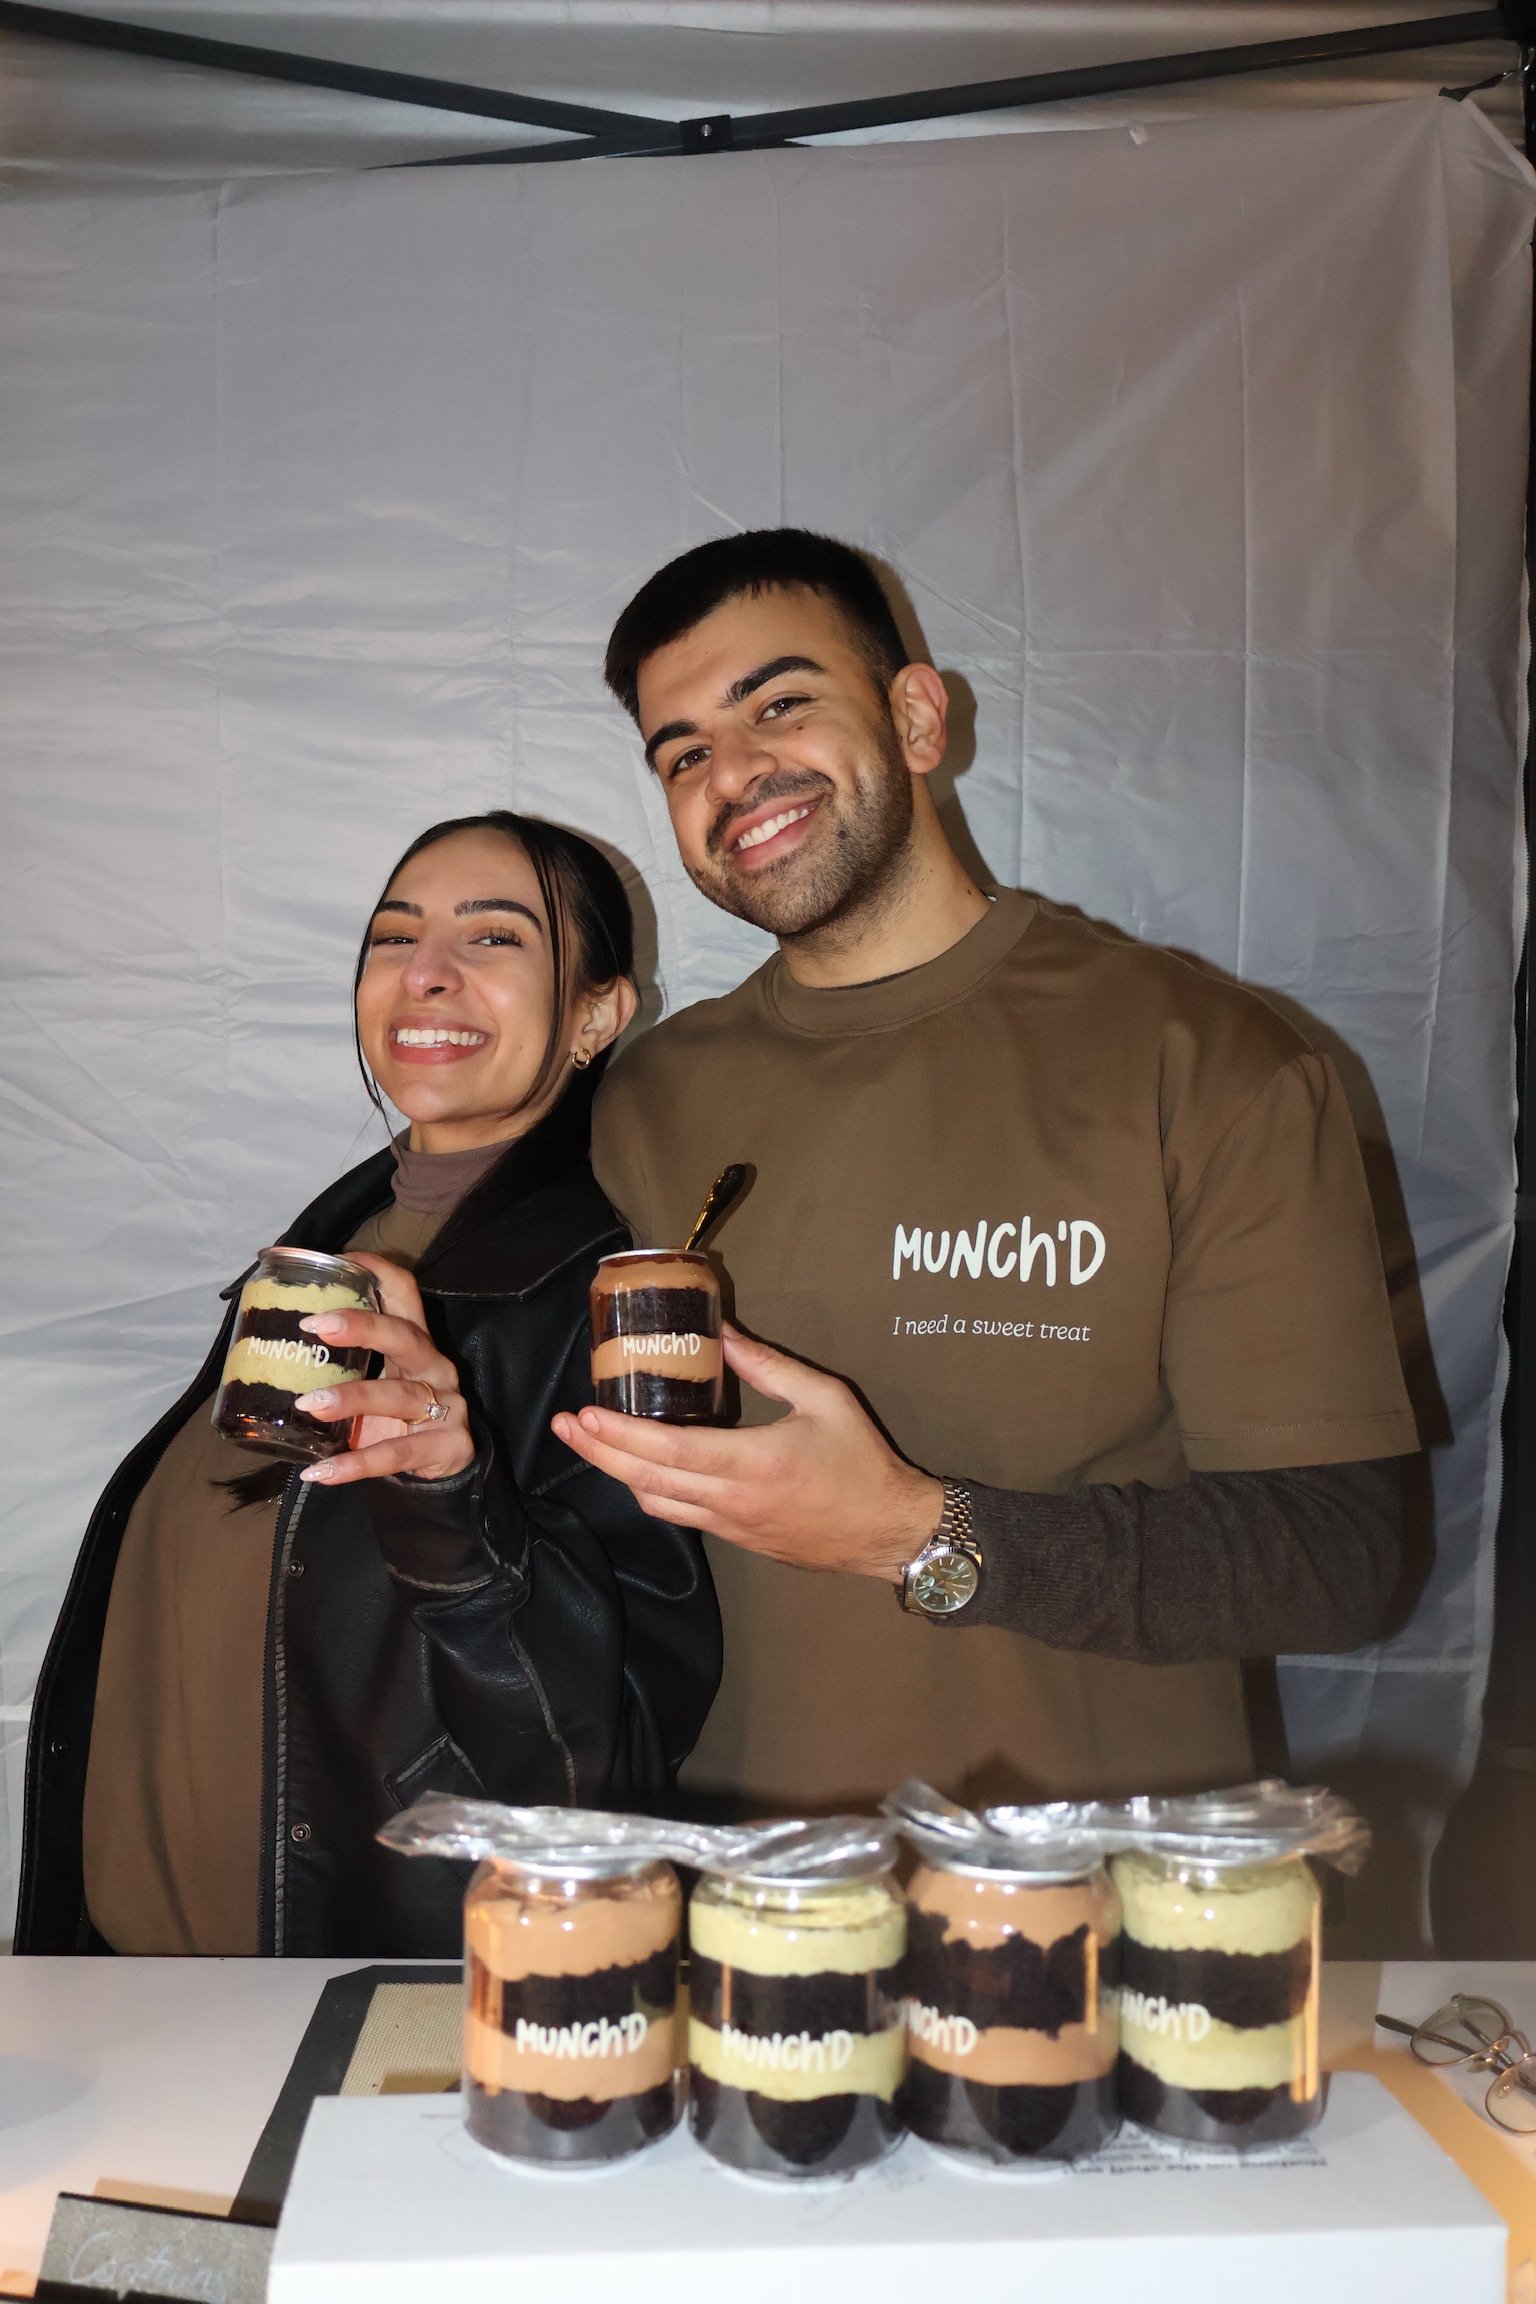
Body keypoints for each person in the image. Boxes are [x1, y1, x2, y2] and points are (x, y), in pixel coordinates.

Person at [554, 528, 1419, 1817]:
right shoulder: (641, 1101)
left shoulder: (1203, 1063)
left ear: (917, 717)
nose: (730, 774)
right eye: (682, 754)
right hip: (741, 1885)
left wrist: (921, 1530)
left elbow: (1339, 1558)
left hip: (1093, 1897)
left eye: (778, 704)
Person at [16, 812, 721, 1956]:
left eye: (494, 937)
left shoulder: (601, 1304)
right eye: (394, 937)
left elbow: (611, 1758)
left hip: (356, 1998)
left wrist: (454, 1504)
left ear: (597, 1015)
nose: (424, 974)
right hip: (142, 1981)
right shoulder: (336, 1243)